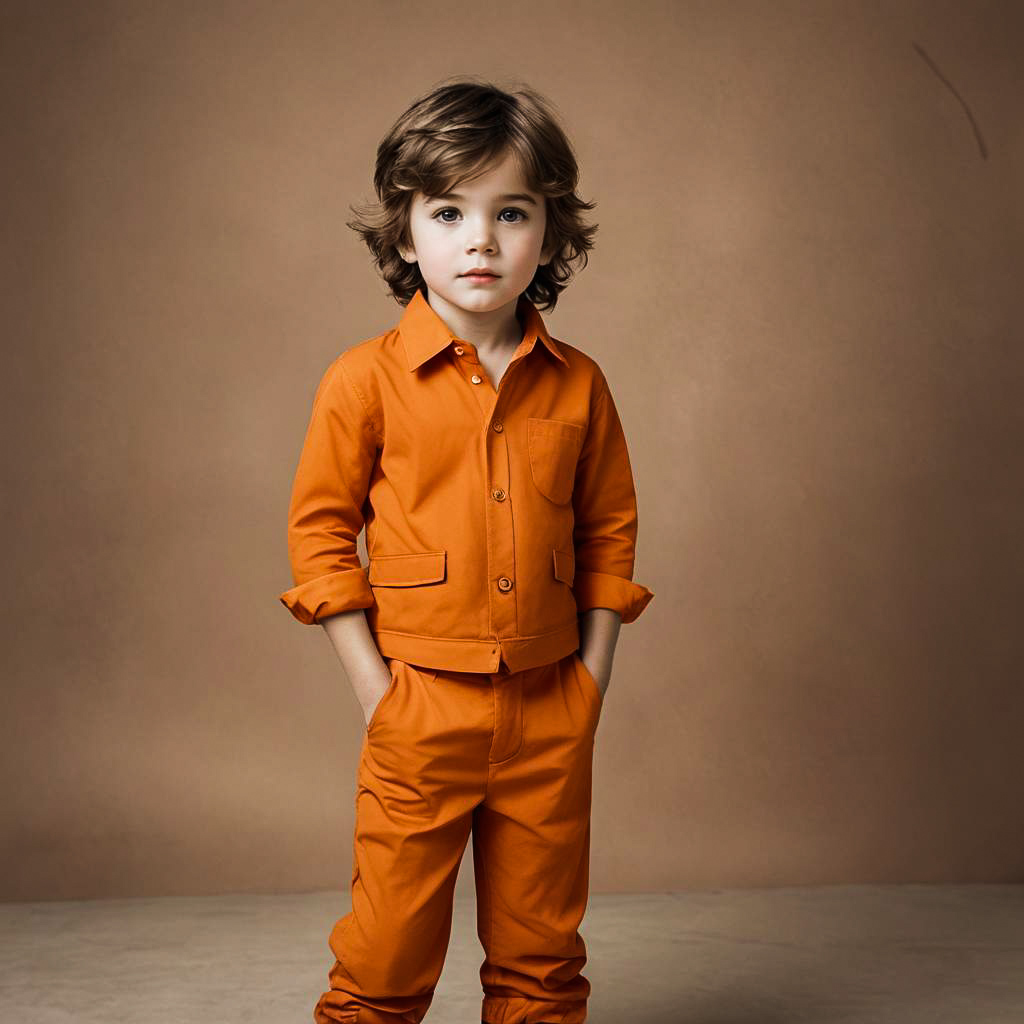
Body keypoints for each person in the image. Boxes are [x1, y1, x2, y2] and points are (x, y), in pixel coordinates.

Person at [279, 77, 654, 1024]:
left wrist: (589, 681)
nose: (479, 239)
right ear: (406, 235)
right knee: (383, 962)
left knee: (542, 965)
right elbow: (322, 536)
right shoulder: (361, 382)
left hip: (549, 709)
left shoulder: (581, 387)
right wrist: (380, 693)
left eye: (511, 212)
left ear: (550, 236)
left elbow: (610, 532)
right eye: (448, 211)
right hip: (420, 711)